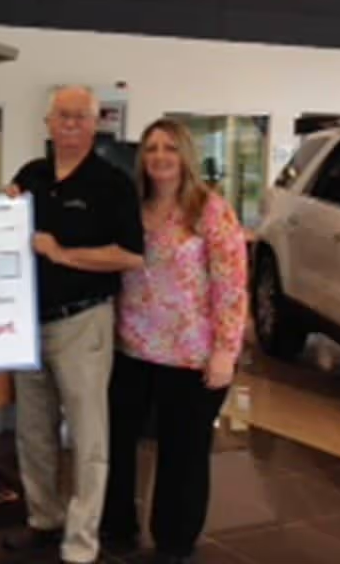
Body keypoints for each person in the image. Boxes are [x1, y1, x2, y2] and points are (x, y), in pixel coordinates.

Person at [2, 85, 145, 564]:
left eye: (79, 117)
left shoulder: (113, 182)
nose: (69, 124)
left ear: (94, 123)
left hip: (83, 321)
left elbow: (128, 254)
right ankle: (44, 519)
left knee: (88, 436)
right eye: (61, 116)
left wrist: (62, 253)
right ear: (48, 121)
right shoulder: (31, 175)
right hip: (28, 324)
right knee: (33, 430)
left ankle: (82, 539)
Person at [101, 119, 248, 564]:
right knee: (119, 444)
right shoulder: (131, 207)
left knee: (182, 454)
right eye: (151, 149)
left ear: (184, 155)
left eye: (169, 148)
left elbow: (232, 284)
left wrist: (226, 351)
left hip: (190, 353)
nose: (159, 157)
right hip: (131, 347)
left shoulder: (210, 210)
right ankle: (117, 526)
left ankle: (175, 540)